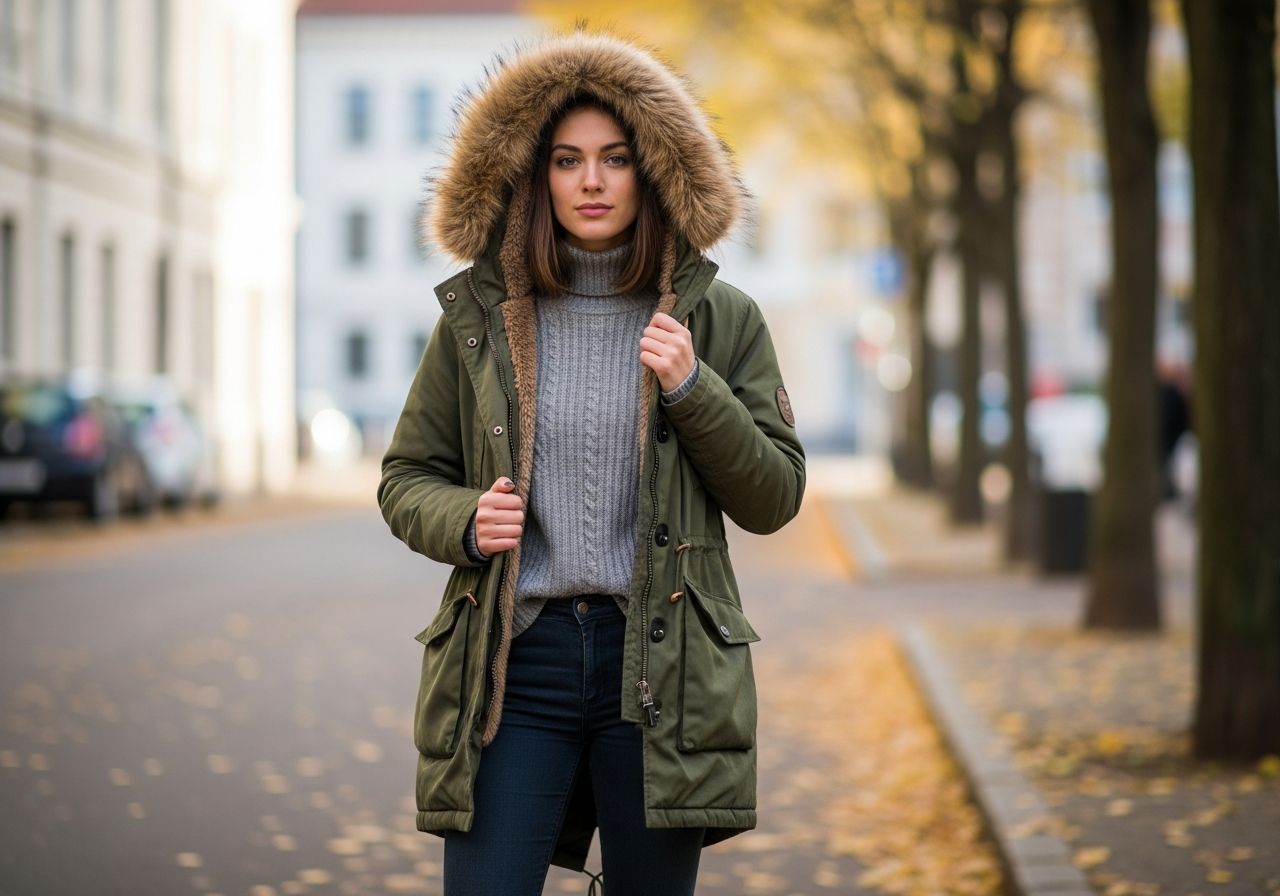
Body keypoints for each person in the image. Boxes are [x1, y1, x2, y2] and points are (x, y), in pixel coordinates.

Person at [378, 31, 805, 896]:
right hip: (516, 665)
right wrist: (463, 519)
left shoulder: (722, 319)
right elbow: (404, 478)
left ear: (651, 169)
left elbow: (775, 496)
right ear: (535, 178)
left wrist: (694, 388)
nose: (592, 180)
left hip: (660, 665)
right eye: (567, 160)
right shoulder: (477, 320)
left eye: (615, 158)